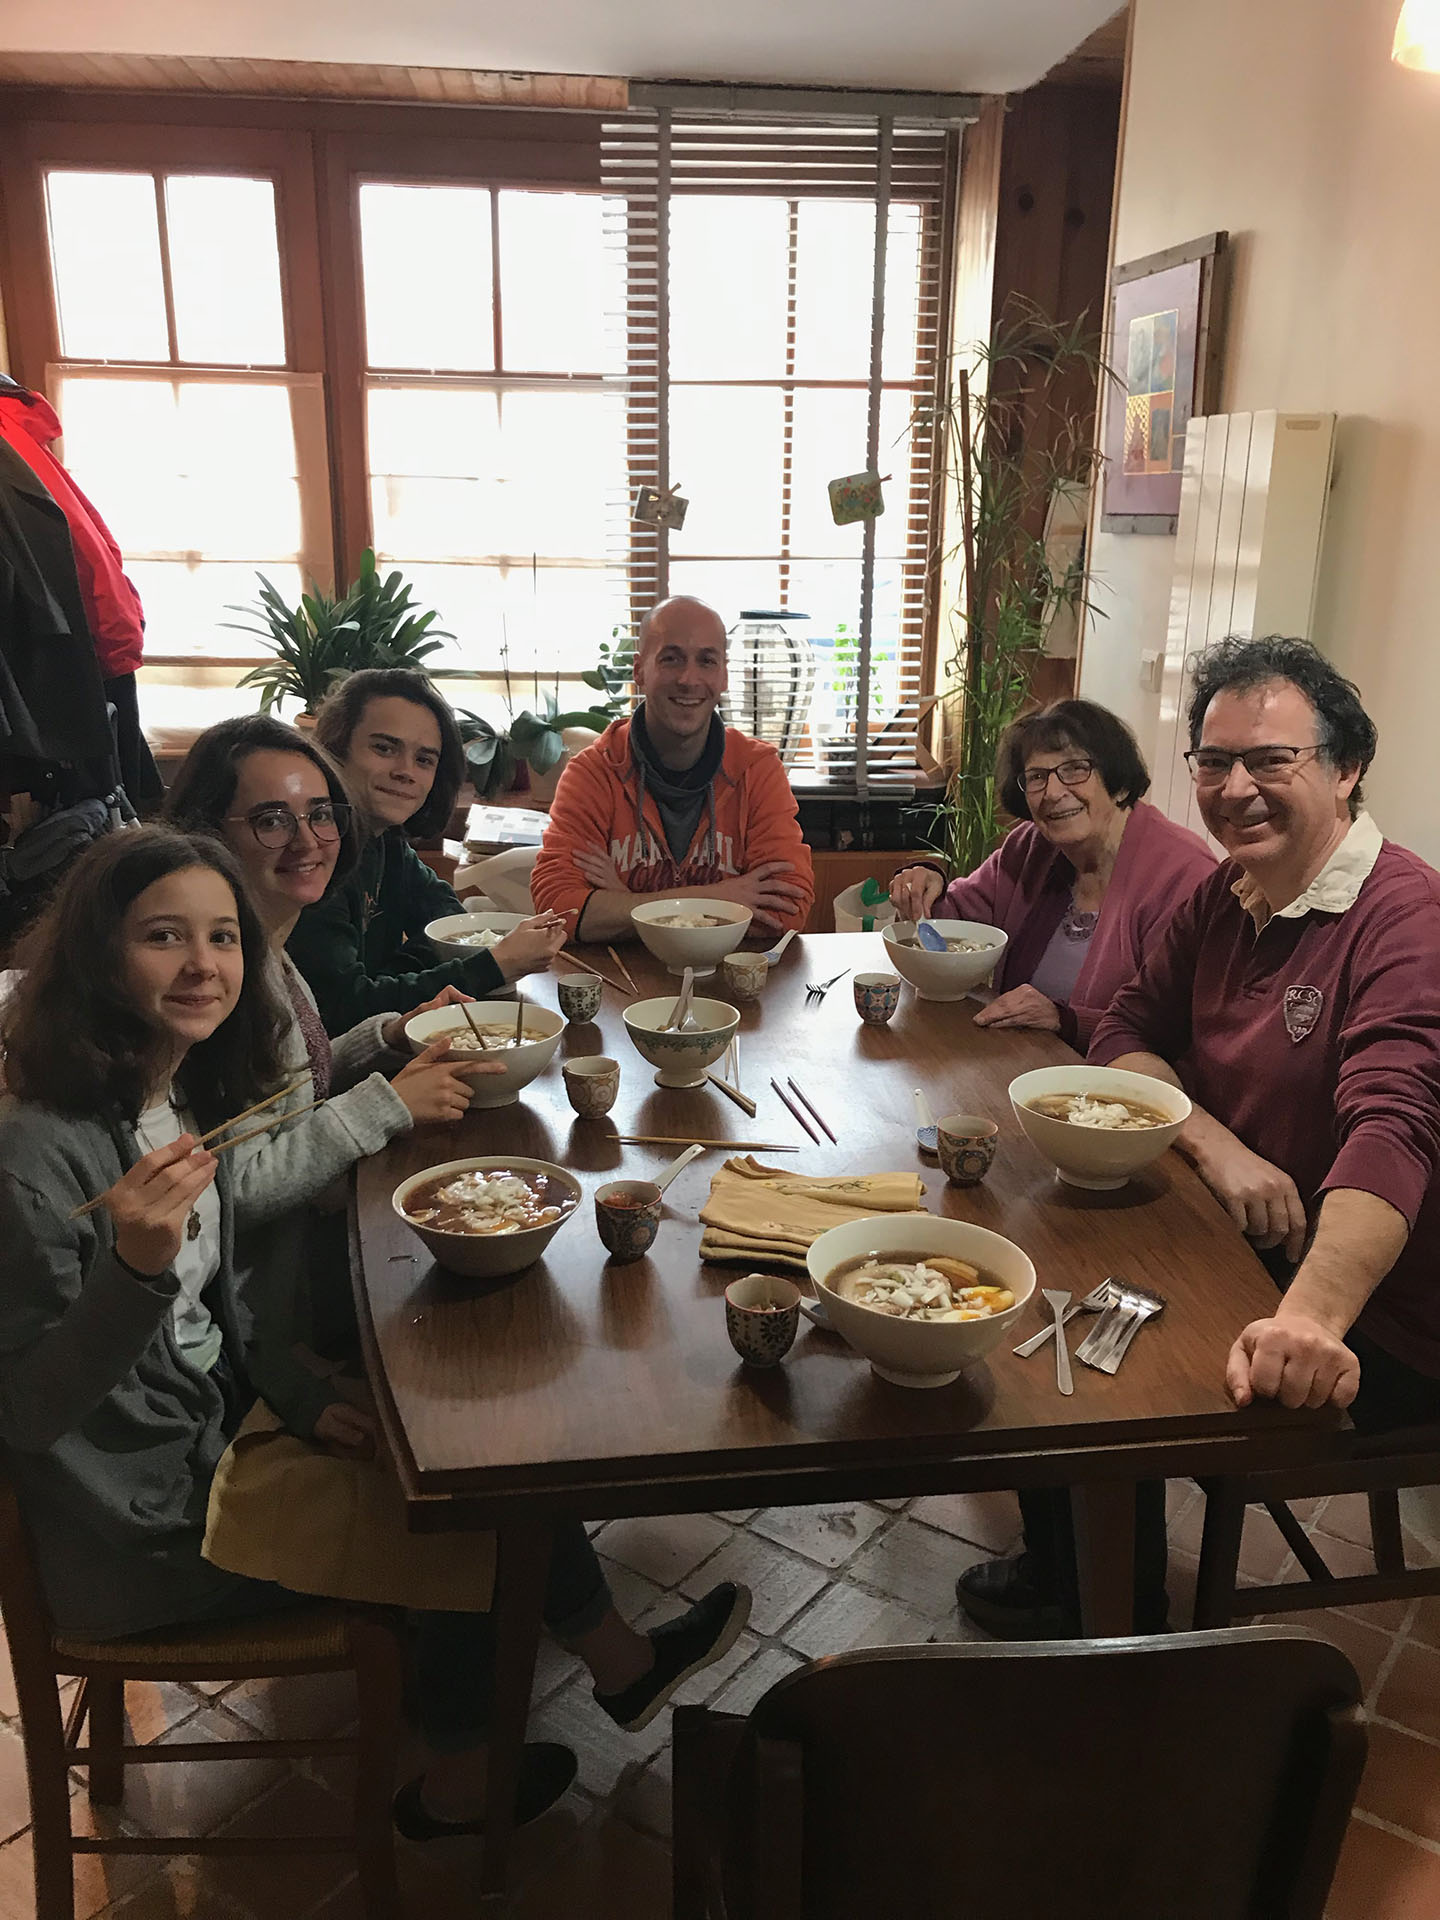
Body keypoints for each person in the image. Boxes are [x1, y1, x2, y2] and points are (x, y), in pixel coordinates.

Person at [0, 826, 750, 1837]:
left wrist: (303, 1397)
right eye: (163, 937)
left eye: (222, 938)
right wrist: (133, 1273)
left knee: (481, 1444)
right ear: (98, 954)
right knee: (455, 1500)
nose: (204, 965)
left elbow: (213, 1317)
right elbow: (28, 1413)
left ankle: (618, 1664)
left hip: (215, 1443)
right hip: (139, 1531)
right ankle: (460, 1785)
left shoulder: (165, 1093)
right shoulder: (35, 1157)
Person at [958, 636, 1440, 1639]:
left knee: (1099, 1356)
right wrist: (1219, 1145)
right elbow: (1126, 1028)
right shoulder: (1228, 896)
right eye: (1214, 763)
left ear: (1347, 769)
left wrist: (1310, 1318)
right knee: (1039, 1285)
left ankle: (1112, 1615)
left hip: (1372, 1310)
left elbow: (1393, 1128)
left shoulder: (1404, 916)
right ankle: (1076, 1567)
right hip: (1239, 1235)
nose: (1236, 788)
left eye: (1272, 760)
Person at [888, 700, 1215, 1047]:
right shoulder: (1032, 846)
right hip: (1022, 1066)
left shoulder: (1182, 874)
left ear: (1118, 782)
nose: (1053, 793)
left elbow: (1180, 1027)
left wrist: (1067, 1021)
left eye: (1075, 769)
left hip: (1123, 1087)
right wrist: (929, 883)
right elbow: (945, 926)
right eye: (1037, 777)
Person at [286, 668, 567, 1032]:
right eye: (384, 748)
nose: (406, 772)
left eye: (424, 760)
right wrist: (494, 966)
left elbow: (446, 918)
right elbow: (342, 1009)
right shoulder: (311, 856)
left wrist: (393, 972)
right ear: (335, 750)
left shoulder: (385, 841)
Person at [531, 596, 815, 941]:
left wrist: (623, 902)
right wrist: (718, 898)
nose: (688, 678)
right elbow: (558, 908)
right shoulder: (593, 773)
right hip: (624, 989)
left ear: (723, 674)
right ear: (639, 671)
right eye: (671, 659)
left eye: (706, 661)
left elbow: (787, 911)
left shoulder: (757, 770)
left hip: (730, 987)